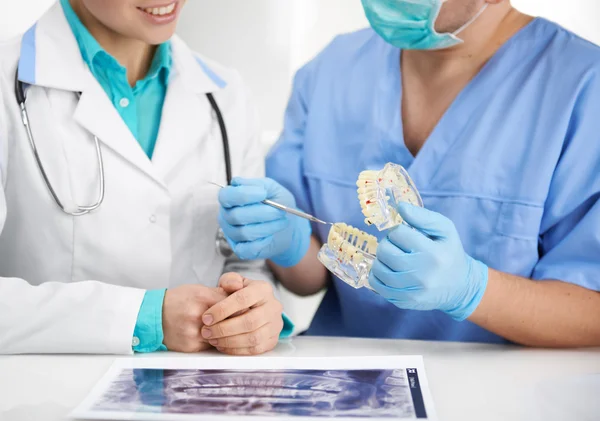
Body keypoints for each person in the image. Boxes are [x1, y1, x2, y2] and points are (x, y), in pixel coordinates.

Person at [217, 0, 600, 347]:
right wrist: (290, 243)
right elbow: (310, 279)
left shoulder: (581, 87)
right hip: (346, 381)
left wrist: (472, 290)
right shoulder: (331, 71)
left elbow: (590, 315)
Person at [0, 0, 292, 355]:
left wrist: (253, 312)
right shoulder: (6, 81)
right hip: (49, 400)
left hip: (195, 399)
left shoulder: (226, 94)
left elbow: (244, 265)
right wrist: (143, 317)